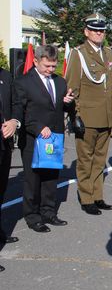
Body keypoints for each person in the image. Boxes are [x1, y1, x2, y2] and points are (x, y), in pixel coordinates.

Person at [13, 45, 75, 233]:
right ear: (36, 61)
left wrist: (68, 103)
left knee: (50, 178)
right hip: (33, 138)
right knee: (33, 180)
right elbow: (20, 111)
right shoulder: (23, 82)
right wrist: (38, 128)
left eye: (53, 66)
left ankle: (48, 211)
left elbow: (64, 110)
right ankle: (32, 216)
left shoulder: (60, 82)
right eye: (46, 66)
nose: (50, 70)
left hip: (54, 138)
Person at [65, 13, 112, 215]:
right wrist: (74, 116)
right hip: (87, 117)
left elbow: (111, 88)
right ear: (86, 32)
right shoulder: (79, 54)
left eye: (102, 30)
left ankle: (97, 195)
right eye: (95, 30)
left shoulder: (109, 54)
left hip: (106, 117)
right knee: (86, 160)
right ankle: (86, 198)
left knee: (100, 160)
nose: (99, 33)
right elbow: (72, 87)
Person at [0, 66, 20, 272]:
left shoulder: (5, 75)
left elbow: (16, 103)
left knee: (2, 190)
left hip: (4, 144)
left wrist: (14, 121)